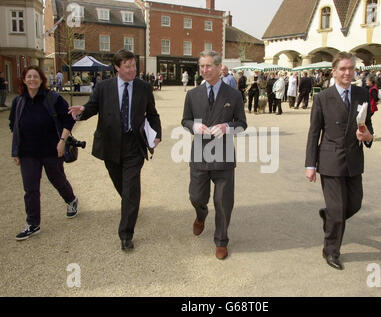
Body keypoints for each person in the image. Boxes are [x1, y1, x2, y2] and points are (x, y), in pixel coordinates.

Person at [68, 49, 162, 251]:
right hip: (110, 144)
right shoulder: (103, 87)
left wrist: (157, 134)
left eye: (134, 65)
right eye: (127, 66)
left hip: (133, 144)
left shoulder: (144, 87)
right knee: (121, 185)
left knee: (131, 188)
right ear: (117, 67)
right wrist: (82, 111)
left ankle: (126, 234)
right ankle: (131, 205)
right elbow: (92, 107)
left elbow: (153, 114)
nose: (132, 69)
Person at [305, 52, 374, 270]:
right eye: (342, 69)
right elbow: (314, 133)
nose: (347, 73)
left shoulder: (362, 94)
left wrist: (368, 136)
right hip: (330, 159)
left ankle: (329, 216)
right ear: (334, 71)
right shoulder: (323, 97)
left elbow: (367, 125)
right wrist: (310, 165)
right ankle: (331, 250)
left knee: (354, 204)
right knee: (338, 209)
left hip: (354, 158)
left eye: (350, 68)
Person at [181, 50, 247, 260]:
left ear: (219, 68)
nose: (205, 70)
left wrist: (228, 127)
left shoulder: (234, 95)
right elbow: (185, 120)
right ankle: (201, 215)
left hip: (224, 156)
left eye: (209, 66)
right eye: (202, 66)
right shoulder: (192, 95)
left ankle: (221, 240)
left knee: (223, 202)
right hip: (200, 154)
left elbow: (242, 124)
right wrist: (194, 126)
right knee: (196, 197)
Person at [9, 65, 78, 240]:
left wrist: (62, 141)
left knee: (57, 179)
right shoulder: (18, 102)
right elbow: (13, 126)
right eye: (29, 77)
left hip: (51, 149)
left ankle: (71, 200)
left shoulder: (52, 98)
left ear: (41, 80)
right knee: (30, 188)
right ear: (24, 80)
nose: (32, 79)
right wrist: (15, 151)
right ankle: (33, 223)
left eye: (36, 76)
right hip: (28, 153)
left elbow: (69, 118)